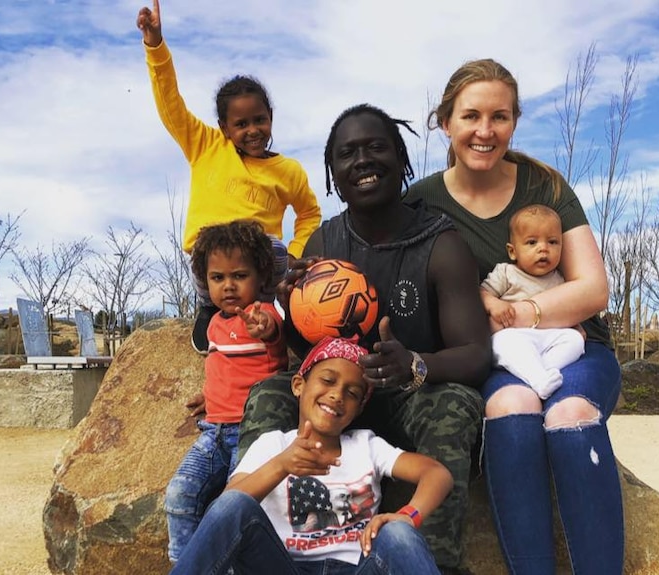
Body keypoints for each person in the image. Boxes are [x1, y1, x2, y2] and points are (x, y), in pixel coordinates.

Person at [237, 104, 492, 575]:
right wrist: (288, 308)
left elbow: (477, 353)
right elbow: (310, 354)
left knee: (454, 403)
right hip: (340, 400)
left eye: (376, 147)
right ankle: (261, 555)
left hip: (406, 399)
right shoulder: (322, 246)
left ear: (400, 156)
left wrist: (415, 364)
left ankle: (432, 563)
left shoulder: (441, 243)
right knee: (270, 393)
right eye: (346, 153)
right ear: (333, 173)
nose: (362, 161)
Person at [404, 59, 624, 574]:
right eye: (471, 116)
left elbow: (594, 289)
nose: (485, 131)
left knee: (570, 414)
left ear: (515, 121)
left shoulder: (545, 188)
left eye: (499, 117)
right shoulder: (421, 202)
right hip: (501, 359)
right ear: (446, 123)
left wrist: (524, 311)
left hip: (578, 345)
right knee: (510, 405)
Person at [169, 336, 452, 574]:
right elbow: (230, 506)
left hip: (356, 568)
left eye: (352, 393)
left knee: (398, 534)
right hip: (281, 565)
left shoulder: (367, 445)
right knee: (233, 504)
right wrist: (282, 465)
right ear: (298, 385)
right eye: (327, 380)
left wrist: (409, 515)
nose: (337, 395)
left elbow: (436, 474)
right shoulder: (274, 444)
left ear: (358, 409)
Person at [137, 0, 321, 354]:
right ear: (224, 127)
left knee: (270, 248)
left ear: (271, 117)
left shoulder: (288, 171)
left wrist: (297, 252)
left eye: (259, 120)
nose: (253, 130)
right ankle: (212, 309)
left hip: (261, 266)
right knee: (213, 249)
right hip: (212, 264)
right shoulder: (205, 145)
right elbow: (170, 103)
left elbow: (310, 214)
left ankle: (271, 316)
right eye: (241, 124)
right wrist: (155, 46)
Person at [163, 219, 288, 563]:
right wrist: (210, 396)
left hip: (251, 435)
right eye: (218, 278)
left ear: (261, 277)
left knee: (235, 507)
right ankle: (186, 564)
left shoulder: (263, 316)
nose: (228, 286)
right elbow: (226, 369)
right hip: (213, 432)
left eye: (239, 275)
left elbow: (274, 341)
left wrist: (264, 328)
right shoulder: (216, 323)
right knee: (179, 494)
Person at [481, 204, 585, 400]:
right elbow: (481, 293)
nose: (543, 249)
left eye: (553, 242)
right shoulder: (506, 272)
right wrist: (493, 304)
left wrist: (576, 326)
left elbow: (567, 309)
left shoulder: (559, 279)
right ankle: (538, 377)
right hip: (515, 336)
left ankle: (536, 375)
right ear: (513, 251)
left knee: (575, 341)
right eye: (531, 242)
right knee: (502, 342)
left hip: (547, 339)